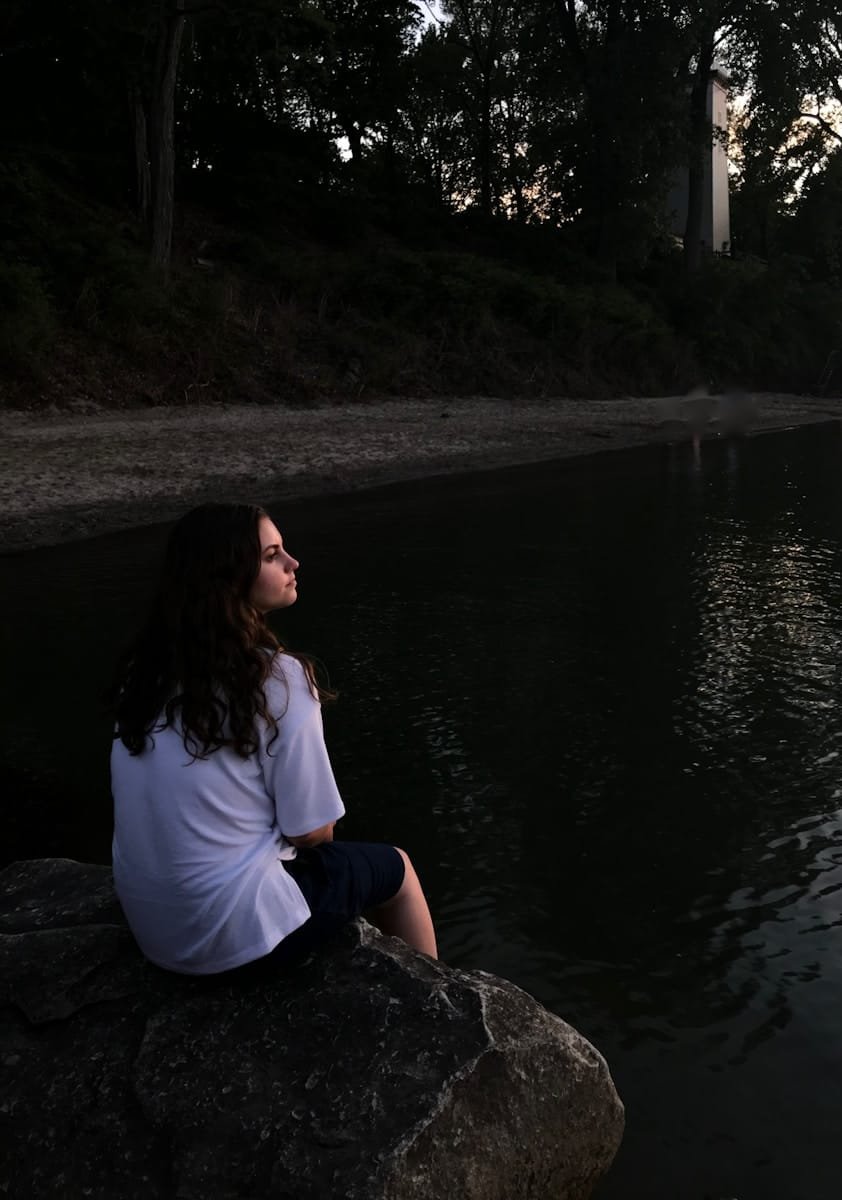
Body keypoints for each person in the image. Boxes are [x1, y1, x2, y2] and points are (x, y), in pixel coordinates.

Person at [109, 502, 437, 976]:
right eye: (272, 555)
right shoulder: (278, 679)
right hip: (228, 938)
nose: (293, 564)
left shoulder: (145, 674)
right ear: (229, 577)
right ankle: (441, 1003)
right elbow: (312, 832)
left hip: (155, 932)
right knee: (398, 869)